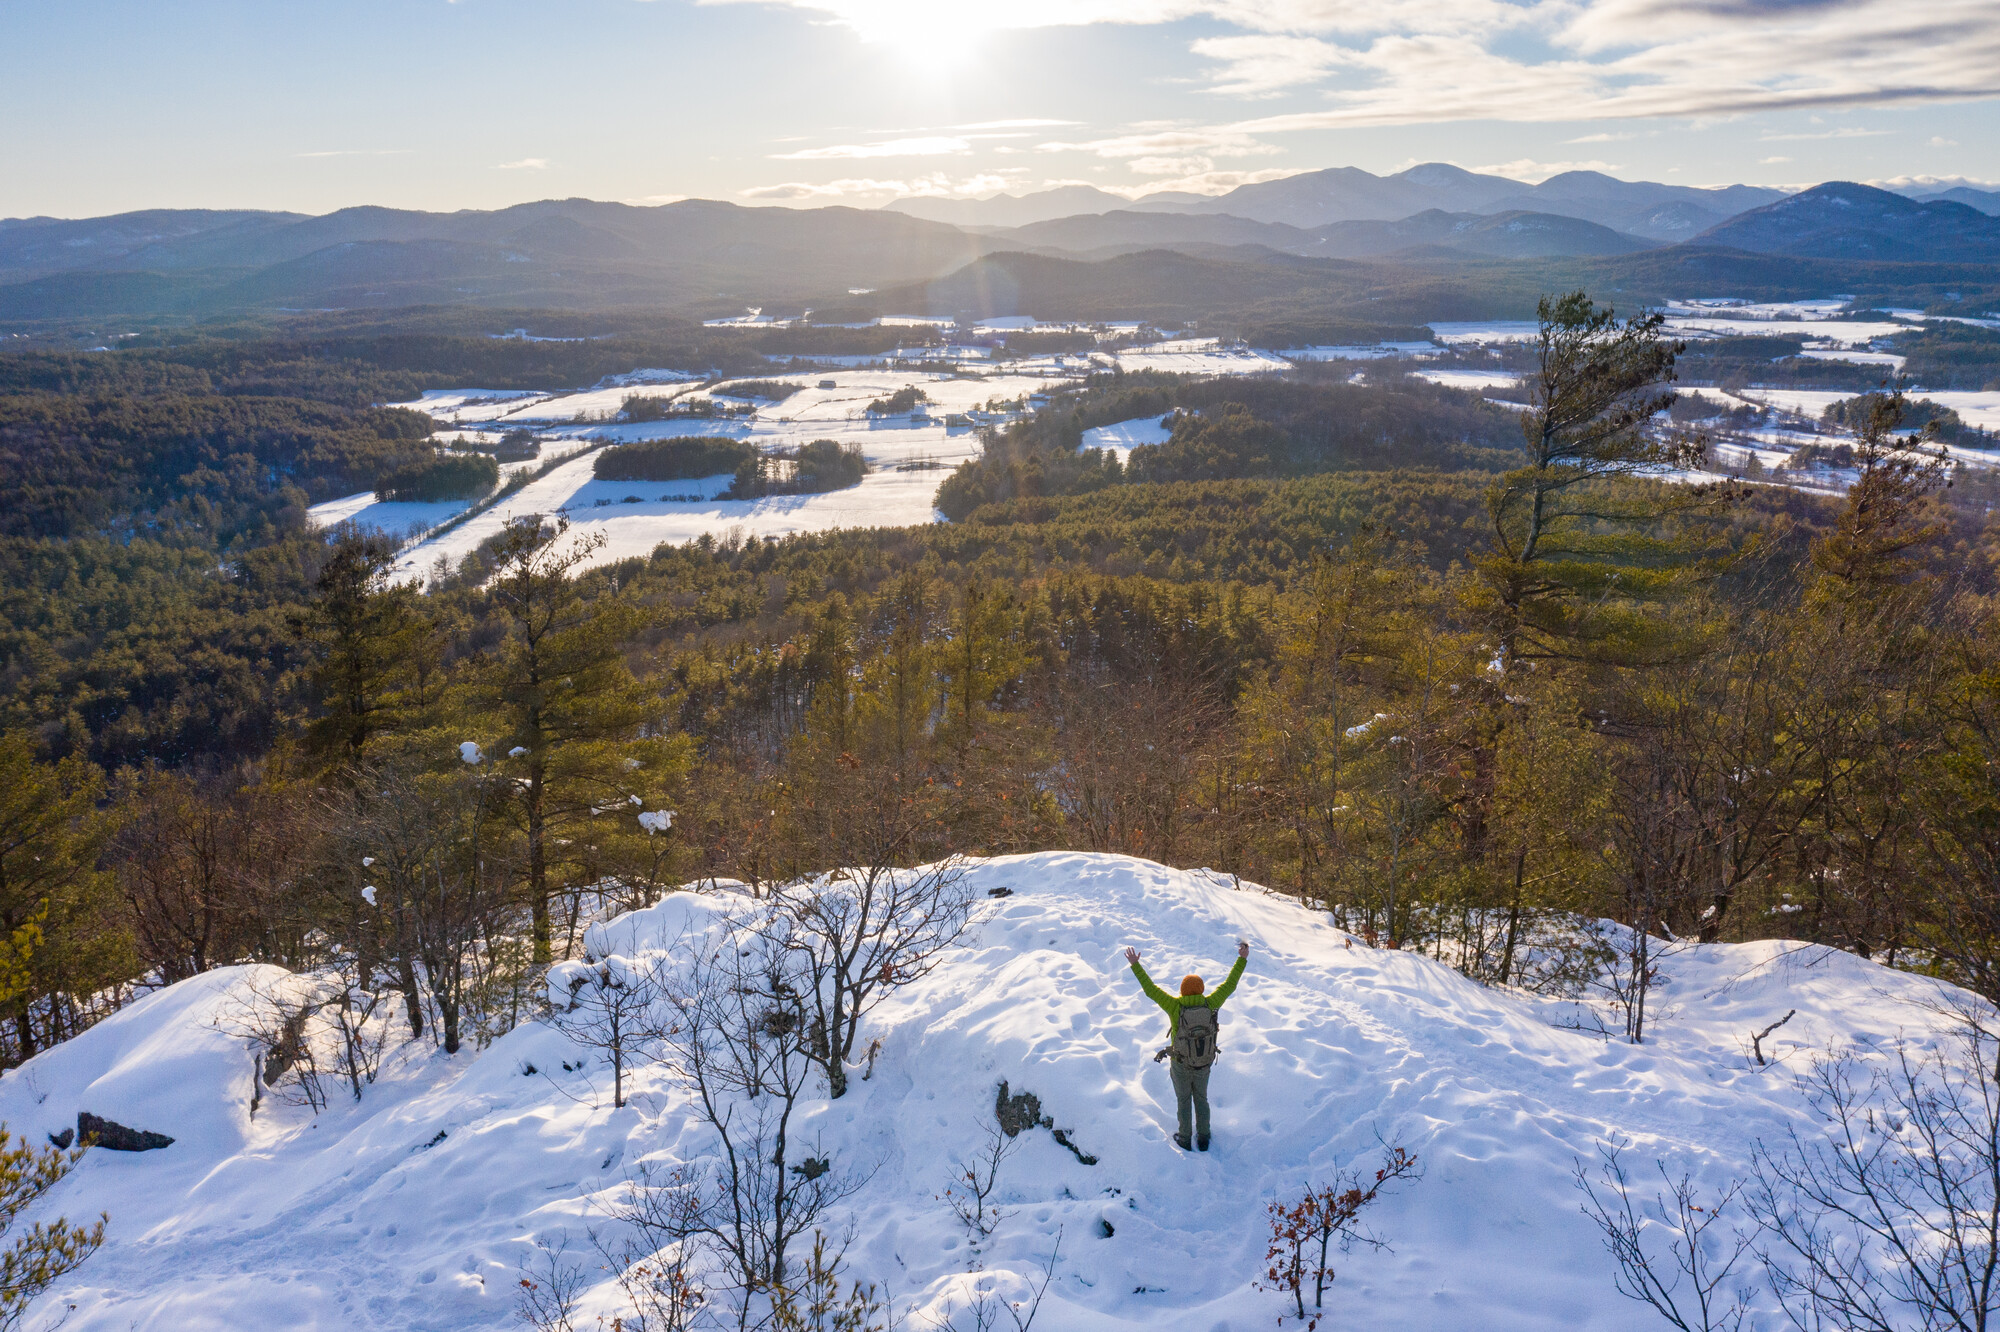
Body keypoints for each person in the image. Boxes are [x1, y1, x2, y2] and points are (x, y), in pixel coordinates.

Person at [1125, 939, 1249, 1152]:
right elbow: (1230, 985)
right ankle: (1203, 1138)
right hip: (1204, 1063)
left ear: (1182, 992)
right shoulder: (1211, 1003)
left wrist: (1136, 965)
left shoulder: (1175, 1006)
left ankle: (1184, 1138)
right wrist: (1242, 959)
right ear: (1201, 990)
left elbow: (1150, 990)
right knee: (1201, 1100)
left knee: (1184, 1101)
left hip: (1181, 1064)